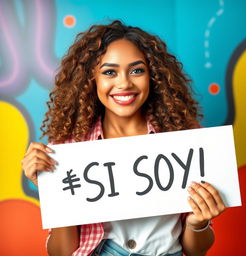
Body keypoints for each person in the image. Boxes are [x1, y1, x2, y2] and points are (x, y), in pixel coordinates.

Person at [22, 20, 225, 256]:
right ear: (91, 80)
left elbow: (195, 250)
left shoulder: (184, 140)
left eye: (137, 70)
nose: (124, 83)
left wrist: (197, 222)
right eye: (110, 72)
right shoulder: (69, 148)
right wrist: (56, 195)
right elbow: (61, 252)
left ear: (153, 77)